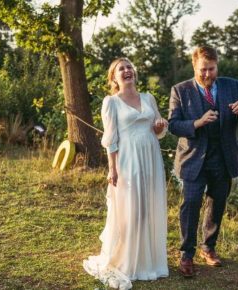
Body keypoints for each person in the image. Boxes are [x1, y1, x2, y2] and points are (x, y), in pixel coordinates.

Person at [83, 57, 169, 289]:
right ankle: (128, 260)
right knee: (132, 209)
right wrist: (112, 169)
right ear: (114, 78)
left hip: (151, 157)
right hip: (128, 160)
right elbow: (111, 139)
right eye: (121, 69)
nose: (127, 70)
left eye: (130, 66)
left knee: (149, 207)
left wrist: (160, 126)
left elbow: (158, 127)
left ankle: (149, 261)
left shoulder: (148, 98)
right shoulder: (111, 102)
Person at [168, 46, 238, 277]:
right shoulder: (180, 90)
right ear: (194, 67)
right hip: (193, 159)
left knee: (217, 206)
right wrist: (197, 123)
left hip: (224, 158)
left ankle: (209, 248)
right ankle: (187, 254)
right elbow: (173, 124)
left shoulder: (232, 85)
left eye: (211, 69)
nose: (207, 74)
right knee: (190, 205)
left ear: (217, 66)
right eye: (202, 70)